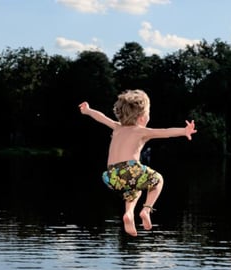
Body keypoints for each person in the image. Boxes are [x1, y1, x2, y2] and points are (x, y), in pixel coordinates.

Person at [78, 89, 197, 236]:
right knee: (158, 180)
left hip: (110, 176)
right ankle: (146, 210)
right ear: (141, 118)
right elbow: (165, 132)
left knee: (134, 188)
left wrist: (88, 110)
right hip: (128, 170)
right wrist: (184, 131)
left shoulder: (117, 127)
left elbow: (100, 117)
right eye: (148, 112)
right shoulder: (142, 131)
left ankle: (129, 213)